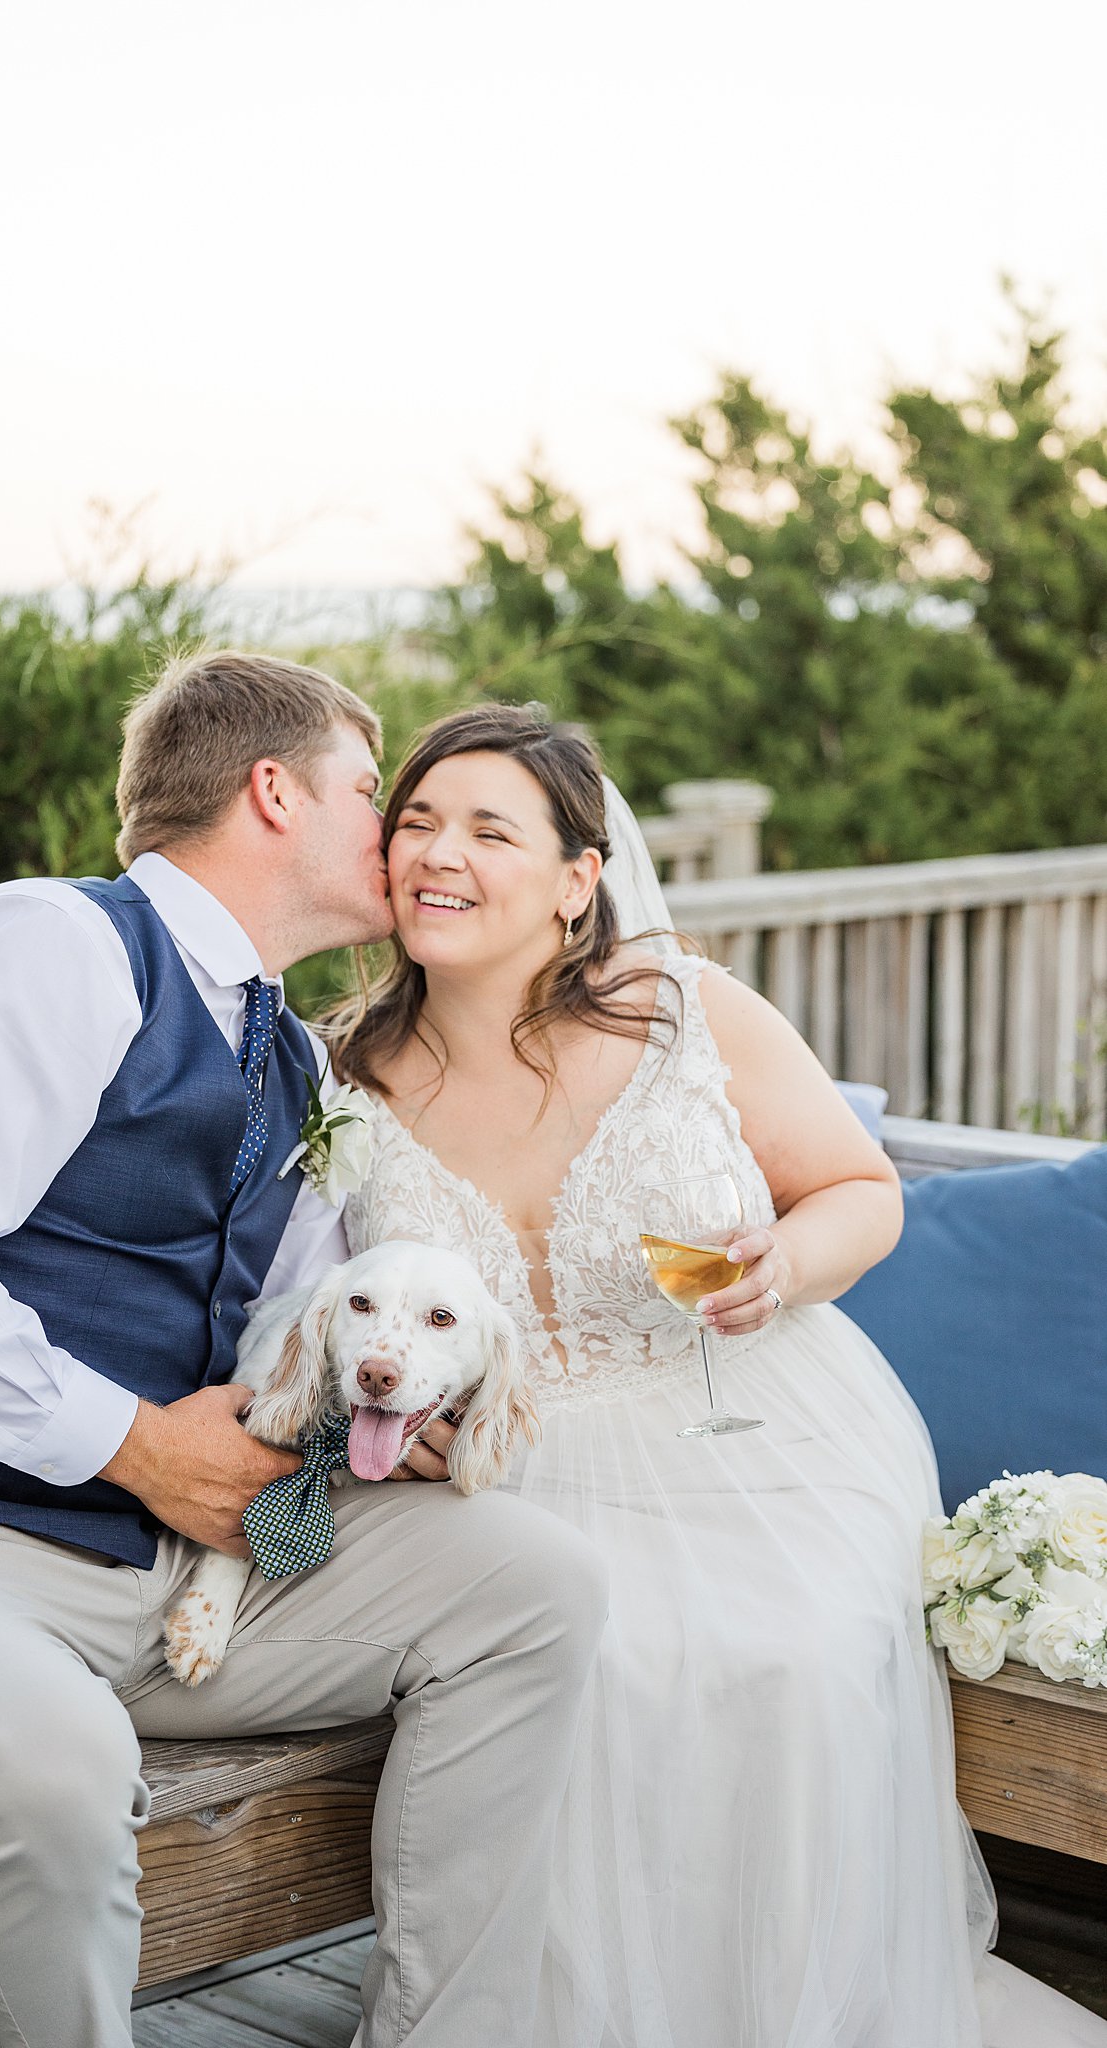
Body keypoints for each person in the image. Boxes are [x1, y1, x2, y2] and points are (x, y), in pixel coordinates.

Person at [0, 652, 608, 2048]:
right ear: (273, 793)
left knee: (536, 1586)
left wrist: (391, 1415)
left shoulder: (295, 1062)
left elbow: (301, 1339)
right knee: (57, 1773)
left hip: (186, 1572)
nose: (394, 830)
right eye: (367, 791)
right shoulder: (50, 945)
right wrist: (140, 1446)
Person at [327, 700, 1107, 2048]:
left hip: (755, 1427)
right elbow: (321, 1313)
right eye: (415, 823)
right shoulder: (338, 1078)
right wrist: (388, 1402)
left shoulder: (686, 1010)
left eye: (487, 829)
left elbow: (860, 1190)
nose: (437, 853)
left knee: (781, 1650)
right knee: (587, 1669)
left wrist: (781, 1266)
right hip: (512, 1478)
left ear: (578, 880)